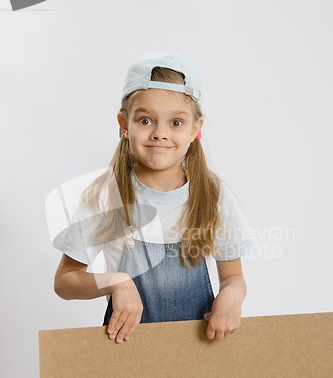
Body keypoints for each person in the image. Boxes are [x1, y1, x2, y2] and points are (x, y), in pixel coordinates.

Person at [54, 53, 257, 344]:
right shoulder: (104, 196)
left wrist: (232, 298)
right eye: (146, 120)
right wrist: (115, 282)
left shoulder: (212, 196)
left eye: (175, 122)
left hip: (201, 350)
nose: (160, 133)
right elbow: (65, 281)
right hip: (129, 353)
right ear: (124, 124)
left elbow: (233, 277)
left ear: (195, 129)